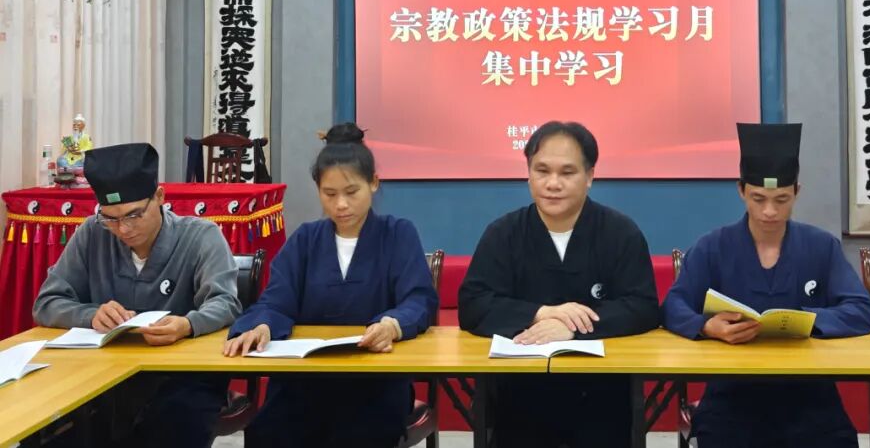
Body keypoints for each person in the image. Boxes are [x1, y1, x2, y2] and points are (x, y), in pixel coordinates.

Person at [223, 123, 439, 448]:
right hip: (305, 381)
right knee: (269, 432)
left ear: (373, 183)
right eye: (330, 194)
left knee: (360, 435)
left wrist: (392, 325)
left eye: (351, 192)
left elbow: (418, 299)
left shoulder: (398, 234)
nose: (341, 205)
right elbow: (276, 300)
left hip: (375, 381)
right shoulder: (305, 240)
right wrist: (262, 325)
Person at [662, 123, 870, 448]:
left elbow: (861, 310)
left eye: (782, 199)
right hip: (731, 394)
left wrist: (809, 321)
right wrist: (706, 326)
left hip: (810, 394)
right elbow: (674, 306)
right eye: (758, 198)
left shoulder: (821, 246)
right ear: (741, 190)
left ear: (797, 192)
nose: (770, 212)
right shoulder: (713, 246)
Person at [458, 120, 660, 448]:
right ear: (528, 174)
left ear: (590, 176)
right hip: (519, 396)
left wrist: (572, 327)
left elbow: (643, 306)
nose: (553, 184)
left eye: (567, 172)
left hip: (601, 396)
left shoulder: (620, 233)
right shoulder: (503, 234)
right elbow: (473, 304)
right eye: (542, 171)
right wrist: (540, 313)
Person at [33, 142, 241, 448]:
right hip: (104, 376)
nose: (123, 229)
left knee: (173, 421)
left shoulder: (200, 236)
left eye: (134, 215)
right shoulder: (93, 233)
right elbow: (47, 303)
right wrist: (91, 315)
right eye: (111, 218)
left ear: (160, 197)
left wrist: (188, 324)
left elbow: (225, 302)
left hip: (182, 378)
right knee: (48, 424)